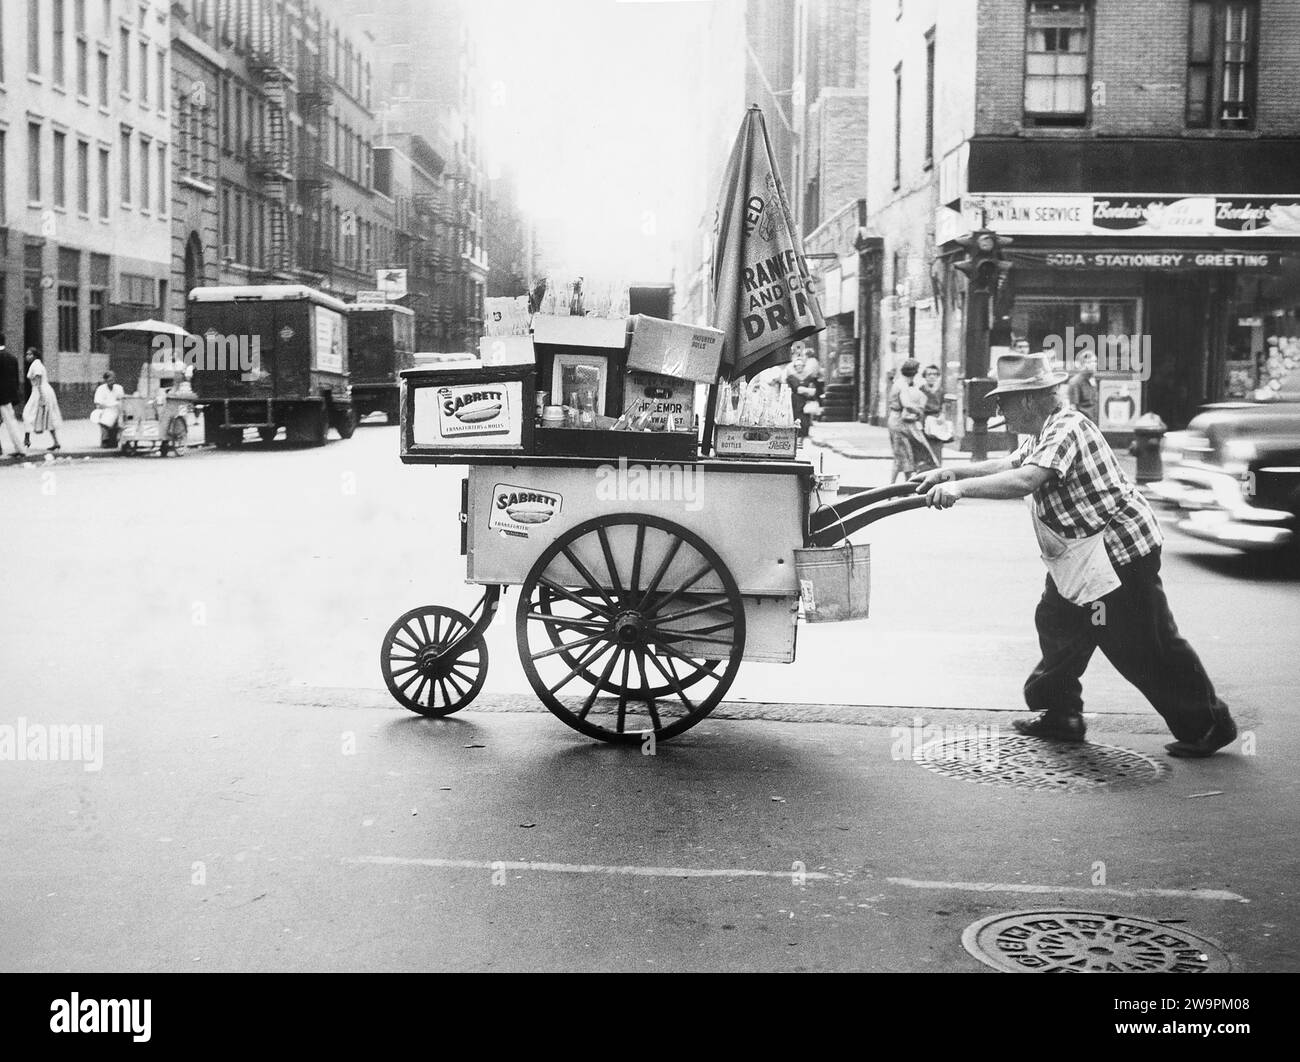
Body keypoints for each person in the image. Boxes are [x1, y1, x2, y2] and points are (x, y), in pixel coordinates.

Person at [912, 352, 1237, 757]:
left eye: (1004, 401)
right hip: (1082, 556)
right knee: (1058, 623)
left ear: (1030, 399)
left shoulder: (1067, 428)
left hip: (1118, 555)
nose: (998, 409)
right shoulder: (1043, 431)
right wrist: (953, 473)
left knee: (1143, 645)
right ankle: (1061, 715)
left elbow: (1026, 479)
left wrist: (960, 490)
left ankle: (1209, 723)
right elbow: (1012, 463)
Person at [887, 358, 938, 483]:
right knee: (903, 457)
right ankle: (893, 488)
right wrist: (919, 411)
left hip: (896, 419)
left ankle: (901, 488)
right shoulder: (903, 385)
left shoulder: (898, 382)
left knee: (904, 457)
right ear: (914, 373)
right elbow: (907, 404)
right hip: (899, 422)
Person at [22, 348, 63, 453]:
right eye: (27, 354)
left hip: (40, 392)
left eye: (29, 354)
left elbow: (38, 381)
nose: (27, 356)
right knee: (46, 416)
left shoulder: (37, 365)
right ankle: (55, 442)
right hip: (41, 391)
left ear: (35, 355)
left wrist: (41, 397)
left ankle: (27, 440)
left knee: (28, 413)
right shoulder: (36, 364)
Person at [785, 343, 824, 441]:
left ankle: (805, 433)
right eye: (797, 366)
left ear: (803, 366)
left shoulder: (808, 376)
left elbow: (813, 389)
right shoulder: (792, 376)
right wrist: (806, 390)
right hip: (796, 400)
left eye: (801, 365)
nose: (799, 367)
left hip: (805, 400)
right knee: (797, 416)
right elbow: (797, 389)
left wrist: (805, 390)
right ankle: (798, 434)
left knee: (806, 417)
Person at [0, 335, 28, 458]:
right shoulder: (12, 358)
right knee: (11, 422)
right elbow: (16, 379)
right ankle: (20, 449)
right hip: (7, 396)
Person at [919, 363, 949, 466]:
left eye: (934, 374)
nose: (932, 377)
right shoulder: (921, 389)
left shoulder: (940, 390)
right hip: (924, 419)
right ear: (925, 376)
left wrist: (942, 415)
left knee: (937, 448)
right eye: (929, 374)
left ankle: (936, 469)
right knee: (924, 448)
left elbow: (943, 406)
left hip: (936, 420)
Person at [91, 370, 126, 448]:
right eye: (110, 380)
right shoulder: (100, 389)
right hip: (104, 411)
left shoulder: (119, 388)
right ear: (105, 380)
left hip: (117, 411)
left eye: (113, 380)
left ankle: (117, 439)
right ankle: (105, 439)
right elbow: (98, 404)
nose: (112, 382)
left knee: (121, 418)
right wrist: (111, 406)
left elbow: (122, 401)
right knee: (103, 416)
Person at [1067, 350, 1099, 423]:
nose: (1094, 364)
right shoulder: (1075, 382)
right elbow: (1073, 409)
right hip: (1082, 425)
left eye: (1095, 361)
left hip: (1093, 424)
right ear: (1083, 365)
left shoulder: (1092, 380)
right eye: (1089, 362)